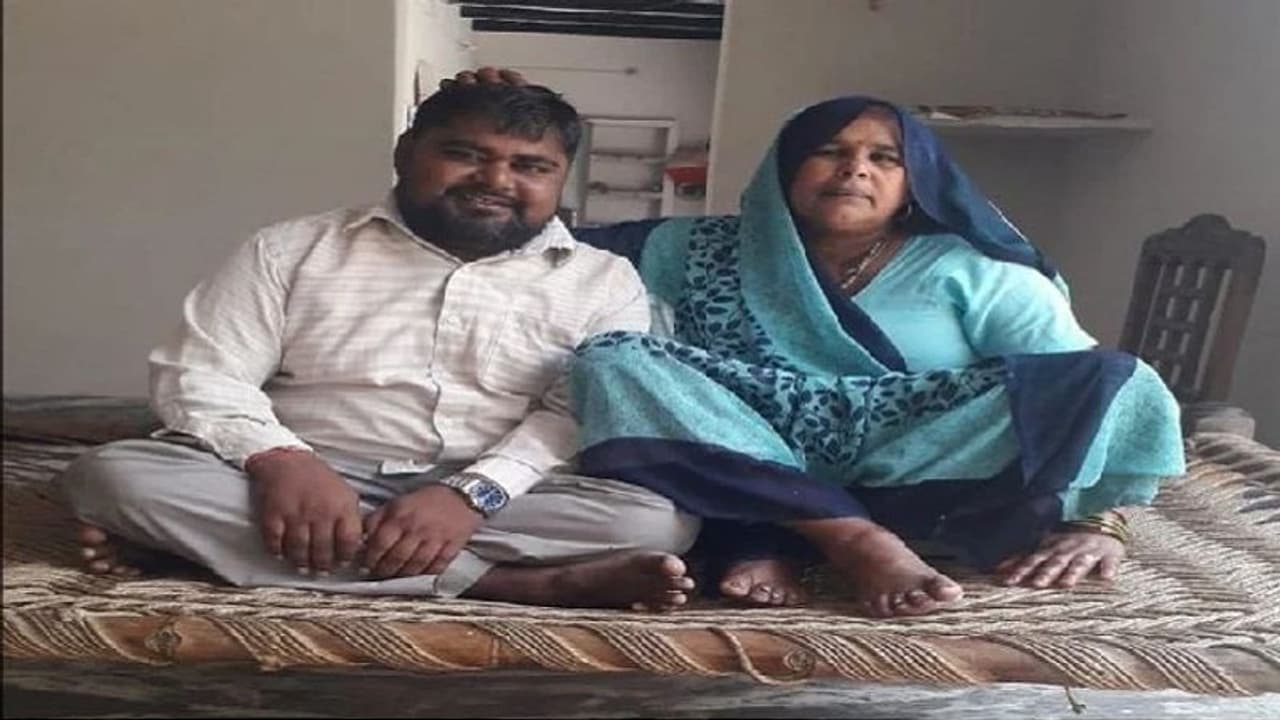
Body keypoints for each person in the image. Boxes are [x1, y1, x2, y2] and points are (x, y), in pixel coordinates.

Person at [57, 80, 701, 611]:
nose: (495, 180)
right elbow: (202, 373)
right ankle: (510, 584)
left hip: (505, 497)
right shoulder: (291, 249)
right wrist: (282, 461)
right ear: (405, 152)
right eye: (465, 154)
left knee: (654, 523)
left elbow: (576, 413)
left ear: (560, 179)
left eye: (530, 166)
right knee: (115, 478)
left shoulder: (604, 280)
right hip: (310, 476)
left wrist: (470, 495)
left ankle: (212, 550)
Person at [563, 93, 1186, 617]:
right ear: (785, 168)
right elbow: (551, 241)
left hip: (907, 458)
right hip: (745, 444)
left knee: (1114, 375)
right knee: (612, 360)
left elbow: (1086, 393)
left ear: (916, 181)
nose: (854, 170)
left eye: (883, 157)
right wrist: (510, 129)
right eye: (829, 151)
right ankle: (849, 538)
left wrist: (1099, 523)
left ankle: (765, 535)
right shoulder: (697, 247)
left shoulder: (975, 270)